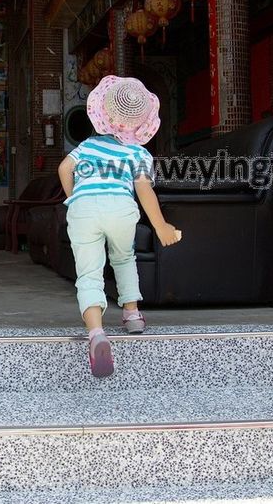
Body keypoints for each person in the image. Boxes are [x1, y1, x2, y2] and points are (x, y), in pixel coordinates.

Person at [58, 75, 181, 378]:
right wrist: (161, 225)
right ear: (142, 123)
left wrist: (75, 197)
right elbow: (144, 191)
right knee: (124, 258)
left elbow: (64, 168)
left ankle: (97, 334)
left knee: (89, 273)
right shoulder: (138, 153)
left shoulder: (87, 145)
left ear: (103, 113)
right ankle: (132, 314)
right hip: (120, 209)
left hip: (84, 209)